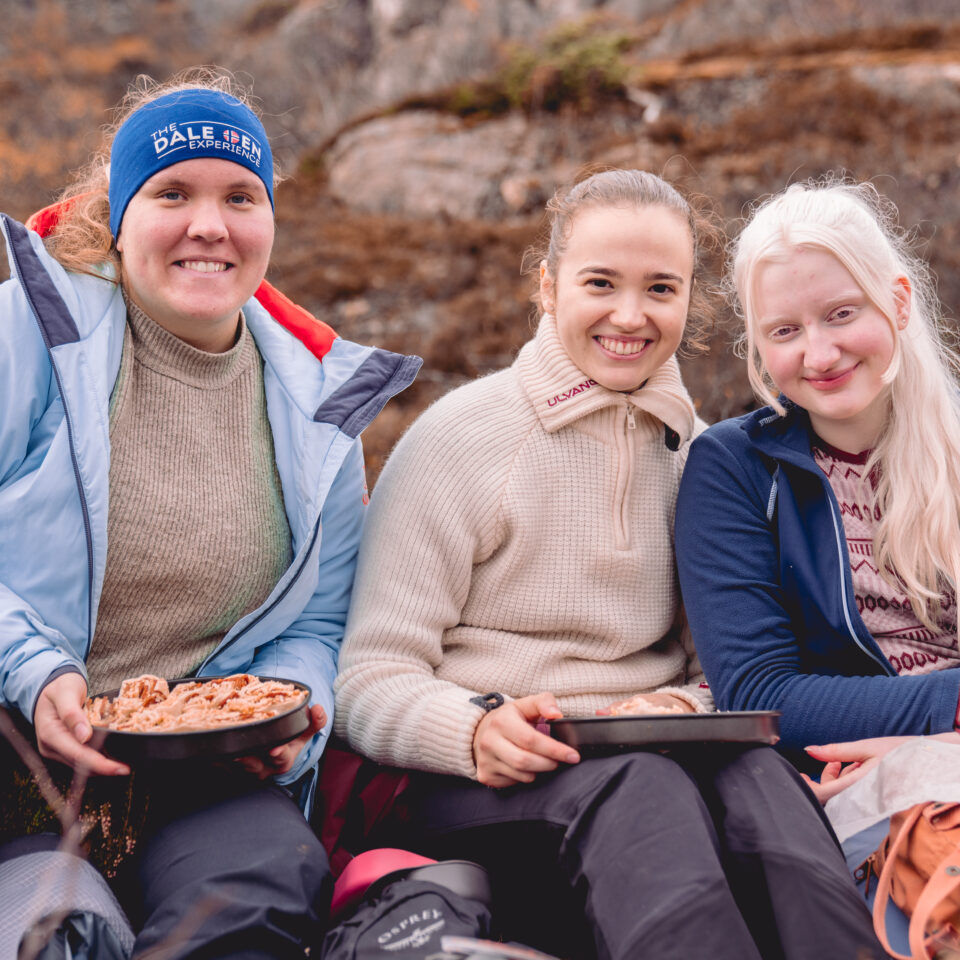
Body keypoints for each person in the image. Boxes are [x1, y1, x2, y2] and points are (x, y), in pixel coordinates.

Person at [333, 170, 883, 960]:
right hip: (480, 782)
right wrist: (474, 730)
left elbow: (714, 669)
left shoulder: (699, 453)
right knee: (641, 788)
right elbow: (368, 677)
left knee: (760, 781)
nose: (631, 316)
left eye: (661, 288)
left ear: (691, 299)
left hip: (648, 757)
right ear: (549, 287)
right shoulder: (460, 439)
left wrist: (689, 708)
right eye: (601, 283)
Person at [0, 67, 419, 958]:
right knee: (59, 932)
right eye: (171, 193)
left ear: (268, 222)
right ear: (119, 220)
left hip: (193, 770)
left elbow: (319, 619)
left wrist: (293, 707)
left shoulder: (321, 416)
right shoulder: (26, 339)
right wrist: (34, 671)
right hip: (14, 758)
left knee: (262, 890)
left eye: (240, 195)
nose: (208, 224)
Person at [675, 178, 960, 761]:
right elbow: (761, 694)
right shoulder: (734, 470)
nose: (821, 354)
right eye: (785, 331)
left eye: (841, 314)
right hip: (852, 779)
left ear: (899, 302)